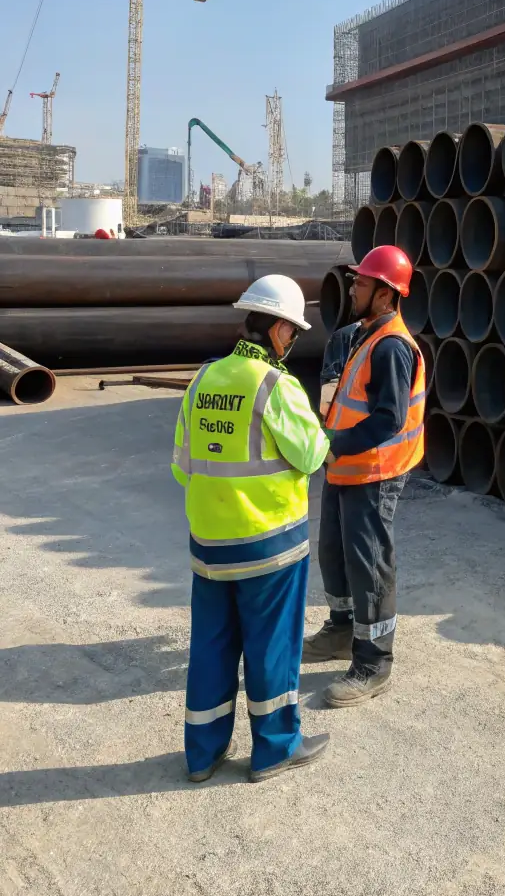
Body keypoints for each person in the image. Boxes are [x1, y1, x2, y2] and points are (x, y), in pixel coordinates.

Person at [171, 273, 331, 784]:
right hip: (269, 547)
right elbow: (310, 454)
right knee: (271, 648)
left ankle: (202, 753)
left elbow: (181, 465)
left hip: (210, 546)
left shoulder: (202, 379)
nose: (293, 342)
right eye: (295, 333)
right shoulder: (276, 386)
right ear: (280, 330)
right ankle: (276, 747)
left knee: (212, 648)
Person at [302, 244, 424, 708]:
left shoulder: (392, 347)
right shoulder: (363, 334)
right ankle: (339, 628)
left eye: (362, 282)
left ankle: (373, 660)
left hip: (374, 471)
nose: (353, 287)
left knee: (369, 562)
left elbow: (388, 420)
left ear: (386, 294)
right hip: (344, 468)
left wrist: (334, 444)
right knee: (334, 551)